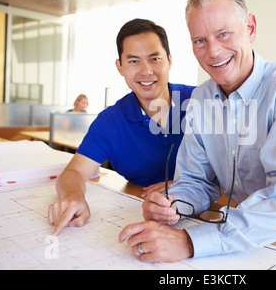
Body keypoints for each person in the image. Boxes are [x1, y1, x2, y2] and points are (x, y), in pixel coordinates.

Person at [118, 0, 276, 262]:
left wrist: (190, 242)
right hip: (243, 231)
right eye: (199, 40)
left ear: (250, 28)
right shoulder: (201, 99)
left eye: (223, 34)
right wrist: (174, 204)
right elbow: (196, 180)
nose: (213, 51)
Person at [48, 19, 195, 236]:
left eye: (154, 59)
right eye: (134, 61)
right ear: (120, 67)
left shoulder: (201, 101)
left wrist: (185, 183)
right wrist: (73, 196)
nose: (146, 71)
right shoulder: (110, 121)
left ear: (170, 60)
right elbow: (73, 172)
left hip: (205, 214)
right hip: (140, 215)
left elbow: (234, 166)